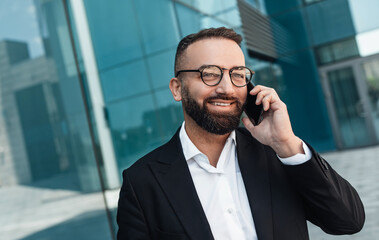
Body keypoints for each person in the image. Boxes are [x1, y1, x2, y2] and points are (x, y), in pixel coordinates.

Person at [116, 27, 365, 240]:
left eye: (237, 75)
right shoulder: (141, 182)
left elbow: (348, 221)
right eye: (210, 74)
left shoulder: (278, 154)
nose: (226, 88)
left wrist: (286, 143)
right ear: (177, 88)